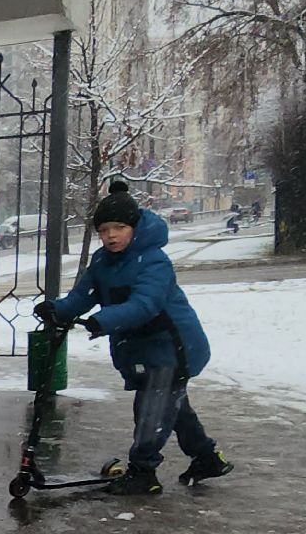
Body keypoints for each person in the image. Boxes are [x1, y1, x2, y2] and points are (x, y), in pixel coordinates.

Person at [34, 181, 234, 495]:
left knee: (152, 408)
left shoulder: (154, 261)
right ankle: (207, 457)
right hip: (142, 348)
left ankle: (143, 471)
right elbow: (82, 297)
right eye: (104, 229)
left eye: (118, 227)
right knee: (173, 406)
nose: (111, 235)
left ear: (134, 227)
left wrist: (104, 320)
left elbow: (145, 305)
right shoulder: (102, 262)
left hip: (172, 346)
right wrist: (56, 309)